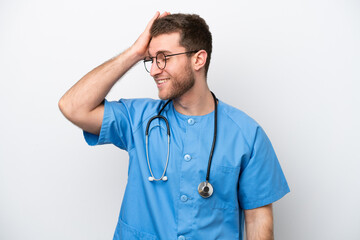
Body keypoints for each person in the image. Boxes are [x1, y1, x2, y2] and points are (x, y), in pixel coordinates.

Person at [59, 11, 290, 240]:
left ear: (198, 59)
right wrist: (134, 53)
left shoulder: (247, 135)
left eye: (164, 57)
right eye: (151, 59)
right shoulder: (137, 119)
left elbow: (257, 218)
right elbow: (72, 106)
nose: (153, 70)